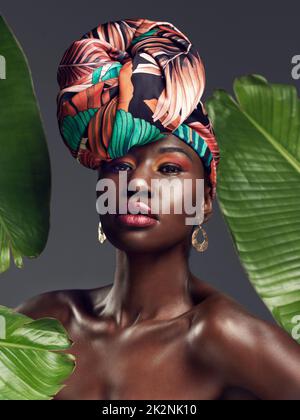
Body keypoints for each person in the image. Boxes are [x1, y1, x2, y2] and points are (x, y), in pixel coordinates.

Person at [17, 18, 300, 400]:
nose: (137, 184)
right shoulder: (48, 319)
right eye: (120, 166)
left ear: (203, 201)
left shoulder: (220, 334)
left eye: (168, 168)